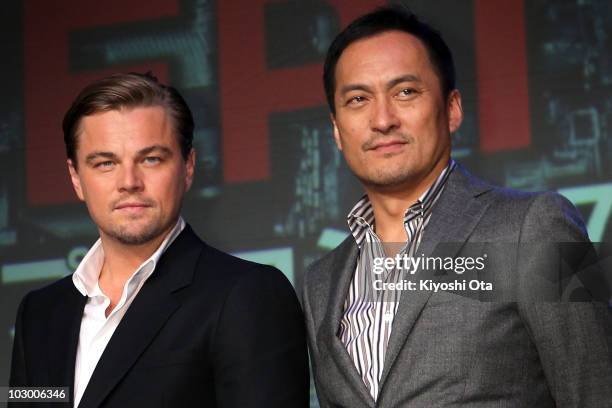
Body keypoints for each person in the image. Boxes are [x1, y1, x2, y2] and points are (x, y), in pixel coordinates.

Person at [302, 6, 612, 408]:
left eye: (405, 92)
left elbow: (598, 388)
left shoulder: (541, 224)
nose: (382, 119)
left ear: (452, 109)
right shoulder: (321, 282)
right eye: (358, 99)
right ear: (337, 130)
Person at [9, 73, 309, 408]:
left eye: (151, 159)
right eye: (105, 163)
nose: (129, 182)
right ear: (76, 179)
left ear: (188, 167)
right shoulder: (39, 314)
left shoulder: (249, 295)